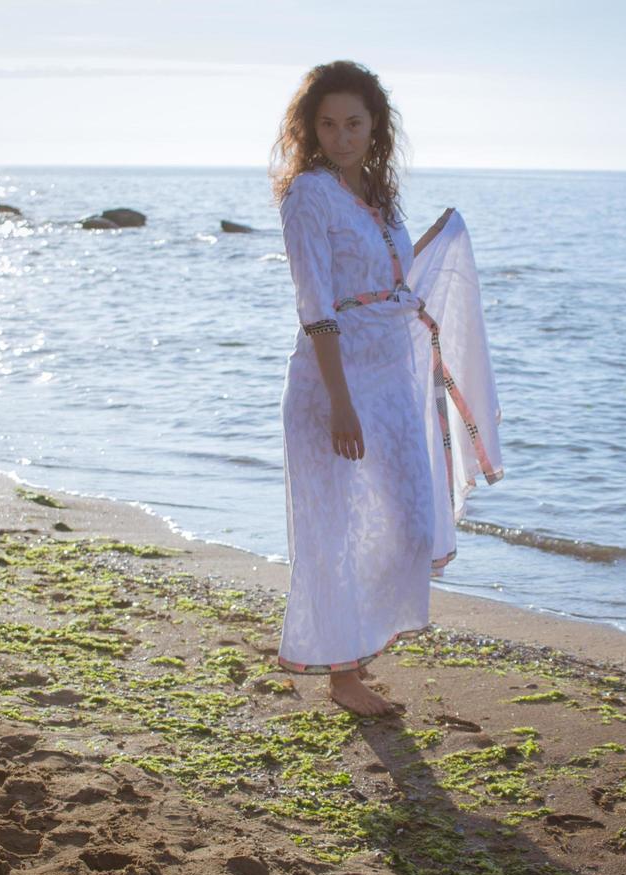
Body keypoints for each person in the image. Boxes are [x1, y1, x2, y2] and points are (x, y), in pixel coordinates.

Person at [269, 60, 502, 717]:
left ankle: (356, 655)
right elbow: (316, 303)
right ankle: (344, 679)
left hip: (391, 386)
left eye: (354, 123)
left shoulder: (377, 193)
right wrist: (340, 402)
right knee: (337, 531)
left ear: (375, 127)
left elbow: (389, 277)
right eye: (328, 124)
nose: (342, 136)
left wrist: (440, 248)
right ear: (310, 131)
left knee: (402, 522)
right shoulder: (308, 195)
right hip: (333, 385)